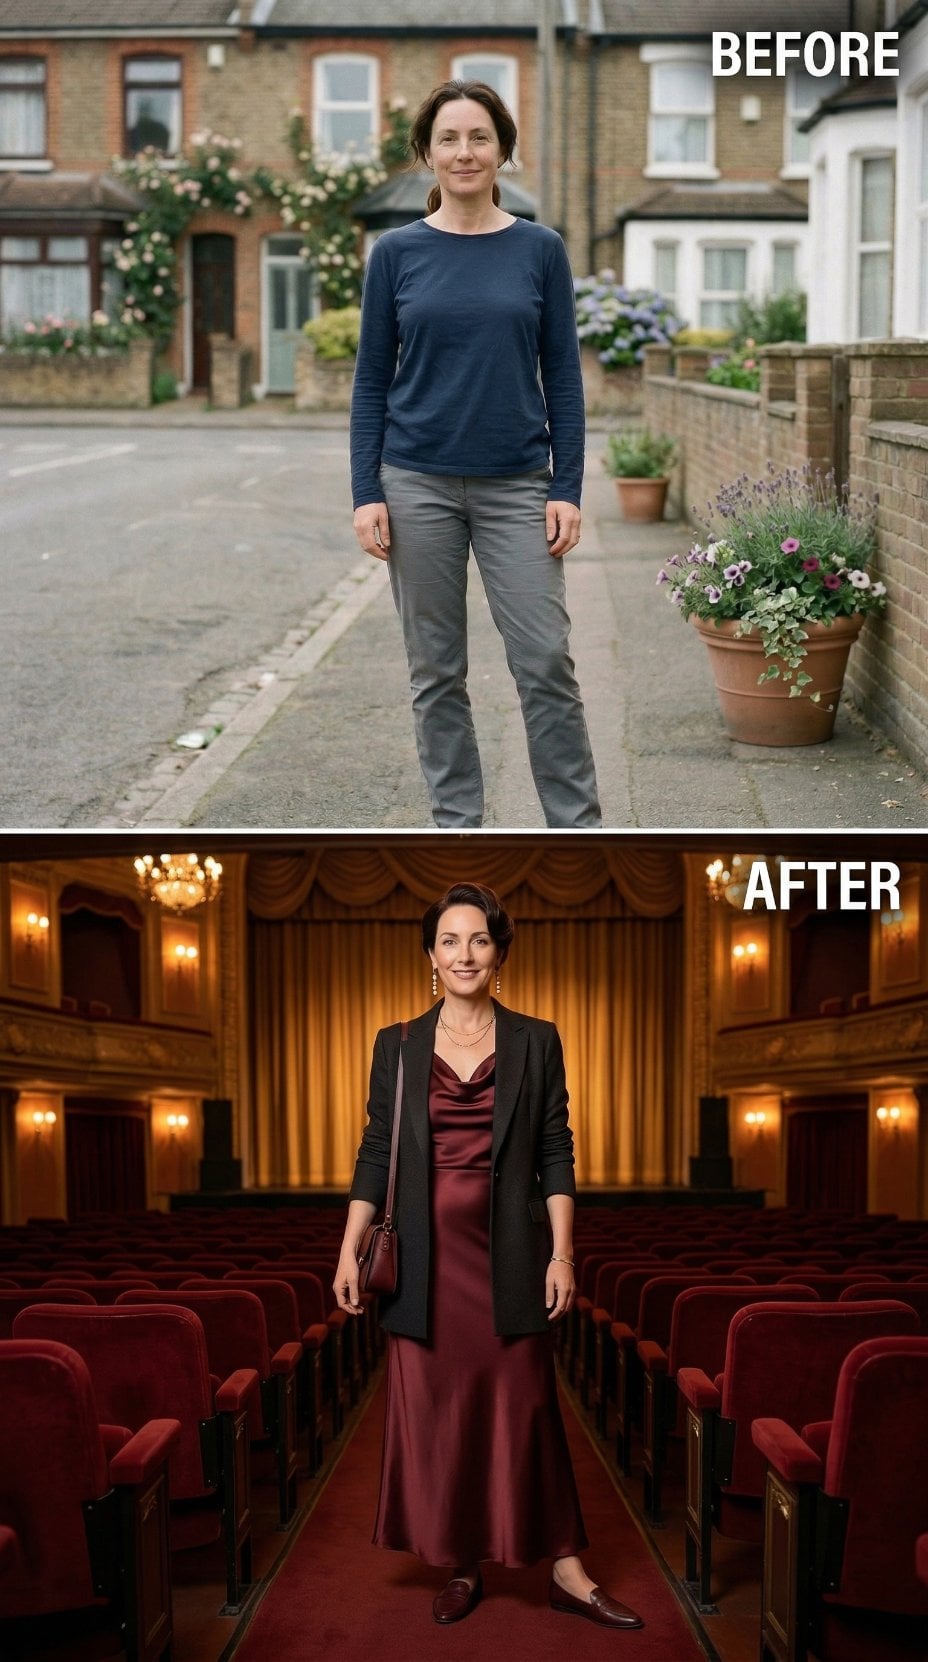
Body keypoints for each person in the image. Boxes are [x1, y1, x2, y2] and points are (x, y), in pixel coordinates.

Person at [333, 882, 643, 1631]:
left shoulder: (537, 1038)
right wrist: (347, 1250)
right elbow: (377, 1152)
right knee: (444, 1419)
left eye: (478, 939)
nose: (464, 953)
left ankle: (567, 1569)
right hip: (424, 1268)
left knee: (527, 1410)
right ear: (430, 956)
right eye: (449, 940)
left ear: (499, 952)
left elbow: (554, 1150)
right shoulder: (397, 1043)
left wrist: (563, 1255)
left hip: (507, 1256)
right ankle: (462, 1562)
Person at [349, 80, 601, 830]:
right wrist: (367, 491)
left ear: (502, 150)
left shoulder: (539, 249)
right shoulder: (395, 254)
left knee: (546, 662)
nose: (465, 152)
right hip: (415, 482)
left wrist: (568, 486)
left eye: (479, 137)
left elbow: (562, 373)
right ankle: (457, 825)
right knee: (435, 673)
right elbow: (370, 380)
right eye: (449, 138)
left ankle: (578, 828)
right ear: (427, 152)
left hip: (519, 487)